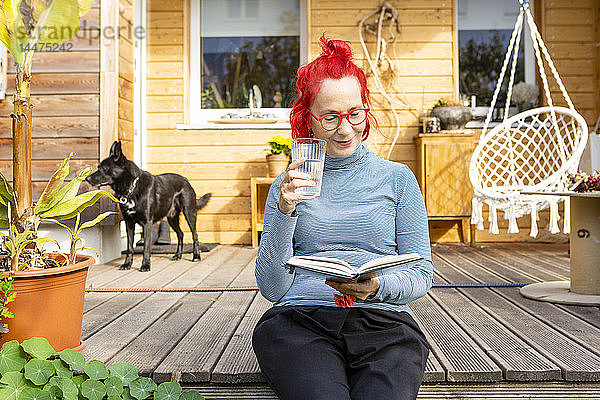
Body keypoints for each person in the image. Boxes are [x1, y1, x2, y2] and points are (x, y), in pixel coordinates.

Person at [252, 35, 433, 400]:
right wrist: (285, 212)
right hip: (300, 321)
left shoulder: (397, 180)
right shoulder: (287, 186)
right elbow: (272, 288)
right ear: (308, 120)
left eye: (354, 113)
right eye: (331, 117)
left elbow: (421, 274)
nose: (346, 128)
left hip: (383, 321)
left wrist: (378, 286)